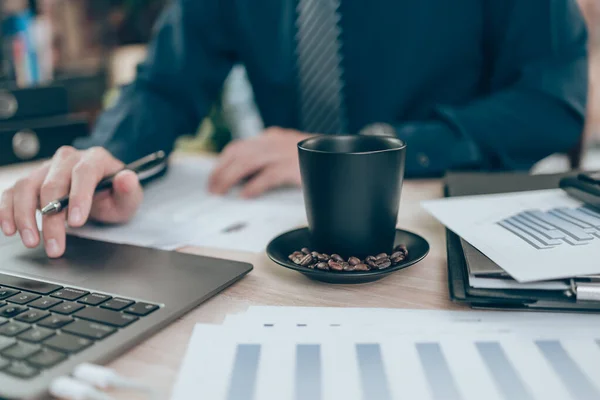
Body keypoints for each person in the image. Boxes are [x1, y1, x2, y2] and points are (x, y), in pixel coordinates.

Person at [0, 0, 589, 258]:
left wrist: (359, 150)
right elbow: (165, 86)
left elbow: (552, 103)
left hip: (438, 223)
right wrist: (110, 161)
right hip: (280, 225)